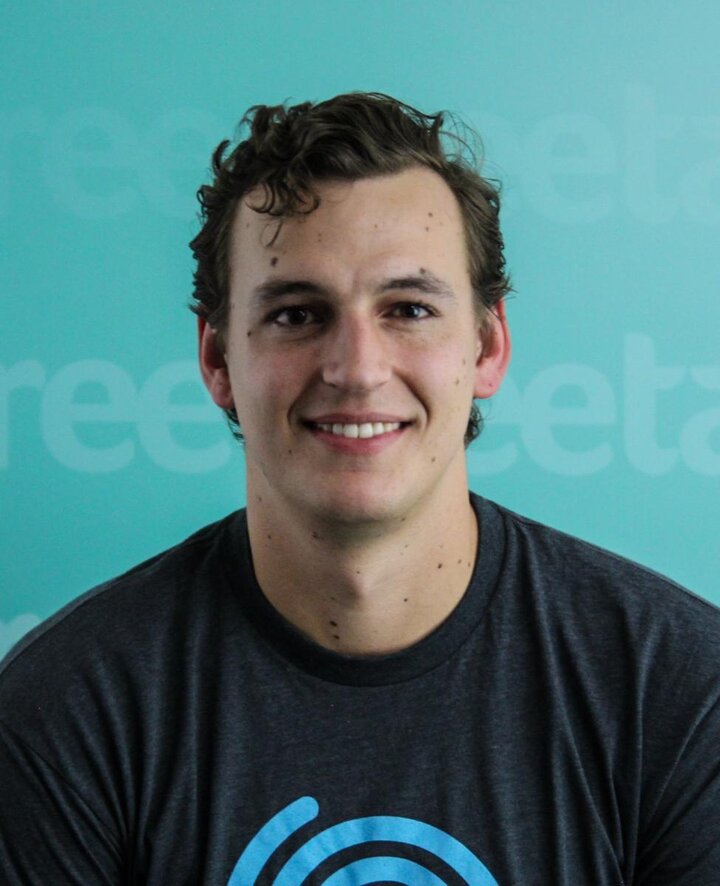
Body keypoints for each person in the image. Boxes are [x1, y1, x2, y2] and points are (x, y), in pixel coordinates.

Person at [1, 93, 718, 885]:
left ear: (487, 345)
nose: (358, 368)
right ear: (216, 360)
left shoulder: (678, 688)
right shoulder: (65, 709)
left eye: (408, 309)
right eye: (298, 314)